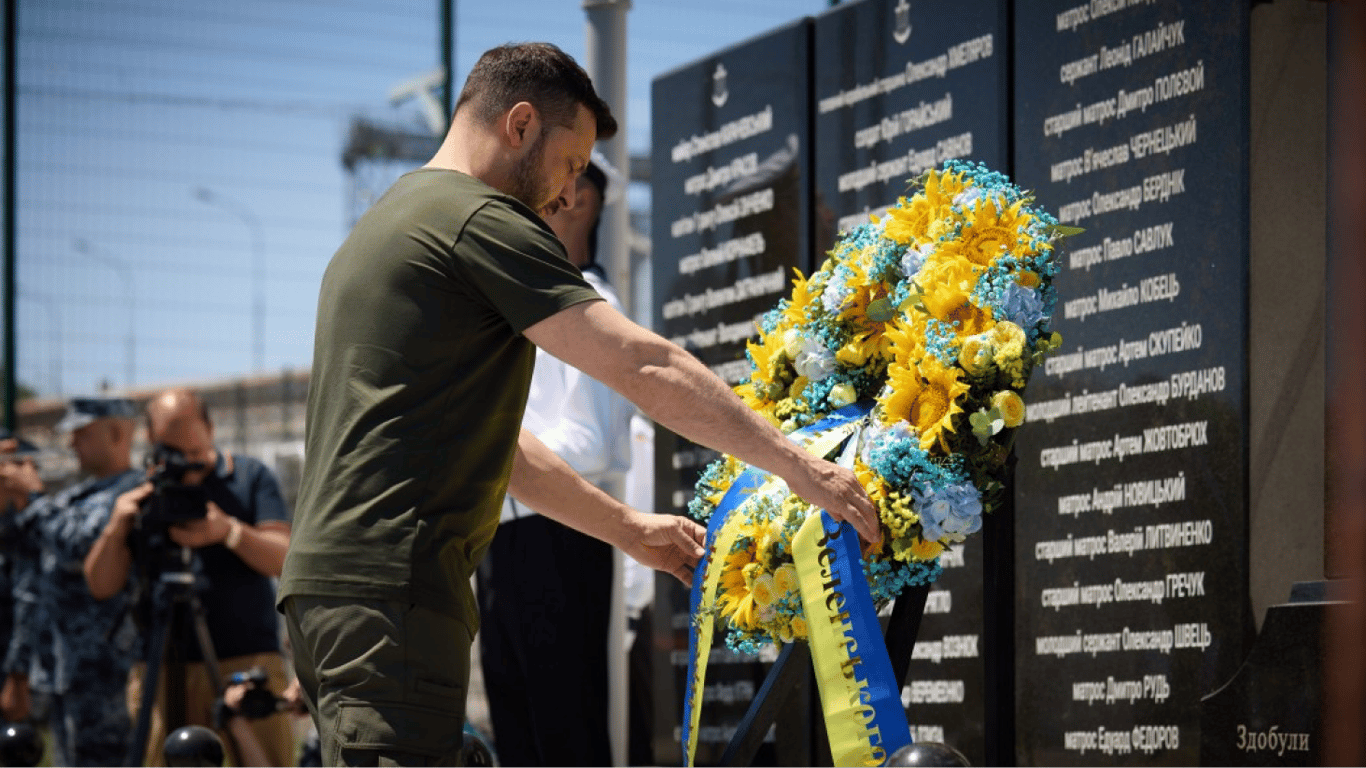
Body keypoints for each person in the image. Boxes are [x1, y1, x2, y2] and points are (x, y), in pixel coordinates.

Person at [278, 41, 879, 766]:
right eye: (569, 164)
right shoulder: (478, 218)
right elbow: (642, 362)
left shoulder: (393, 221)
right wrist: (800, 465)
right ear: (521, 124)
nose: (568, 196)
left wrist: (625, 528)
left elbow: (508, 450)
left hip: (343, 594)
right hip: (391, 598)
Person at [475, 156, 633, 767]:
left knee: (565, 730)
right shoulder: (531, 305)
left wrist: (494, 461)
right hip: (507, 531)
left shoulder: (592, 301)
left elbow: (597, 444)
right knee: (518, 729)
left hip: (561, 531)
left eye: (541, 196)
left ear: (581, 201)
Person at [83, 388, 294, 768]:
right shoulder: (139, 491)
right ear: (151, 440)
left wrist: (229, 531)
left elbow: (285, 558)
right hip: (158, 664)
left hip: (244, 660)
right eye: (173, 454)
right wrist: (117, 527)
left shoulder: (248, 476)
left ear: (211, 428)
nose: (187, 469)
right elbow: (100, 585)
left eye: (195, 455)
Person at [0, 398, 143, 767]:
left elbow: (76, 547)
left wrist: (32, 495)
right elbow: (22, 548)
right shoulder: (76, 496)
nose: (71, 443)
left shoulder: (133, 492)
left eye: (82, 433)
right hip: (62, 664)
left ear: (115, 433)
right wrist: (10, 497)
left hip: (103, 667)